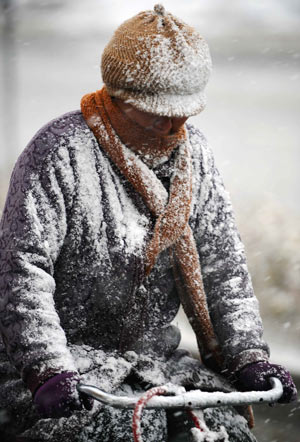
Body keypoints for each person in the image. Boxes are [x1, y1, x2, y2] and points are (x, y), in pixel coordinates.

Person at [0, 4, 297, 442]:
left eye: (185, 112)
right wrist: (46, 367)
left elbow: (224, 270)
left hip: (156, 362)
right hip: (58, 375)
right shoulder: (58, 153)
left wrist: (248, 357)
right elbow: (23, 271)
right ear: (121, 97)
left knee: (223, 429)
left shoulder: (196, 158)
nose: (175, 124)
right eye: (160, 111)